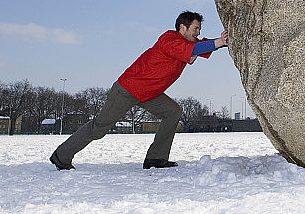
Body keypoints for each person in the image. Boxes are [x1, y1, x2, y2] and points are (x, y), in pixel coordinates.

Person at [50, 11, 228, 170]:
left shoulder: (187, 43)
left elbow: (202, 45)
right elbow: (196, 48)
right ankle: (61, 156)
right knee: (99, 128)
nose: (198, 33)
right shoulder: (169, 40)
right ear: (183, 27)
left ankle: (156, 158)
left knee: (172, 111)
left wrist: (222, 42)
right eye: (196, 29)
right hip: (127, 90)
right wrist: (218, 42)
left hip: (149, 93)